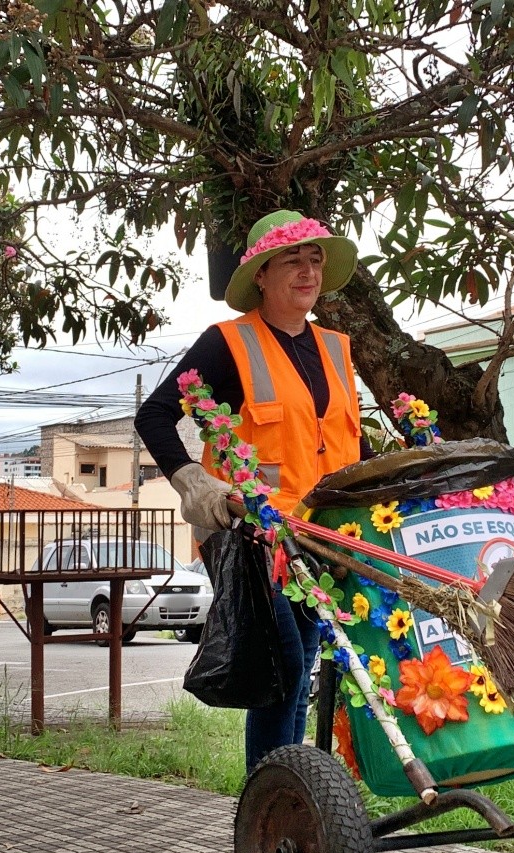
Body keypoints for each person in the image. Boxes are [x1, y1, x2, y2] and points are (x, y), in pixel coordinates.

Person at [135, 209, 372, 771]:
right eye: (291, 259)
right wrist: (196, 484)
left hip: (325, 537)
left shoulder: (337, 349)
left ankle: (293, 795)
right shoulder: (229, 344)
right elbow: (156, 415)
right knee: (285, 665)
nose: (306, 270)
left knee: (305, 661)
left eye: (314, 259)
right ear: (260, 276)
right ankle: (272, 803)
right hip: (256, 537)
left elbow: (345, 445)